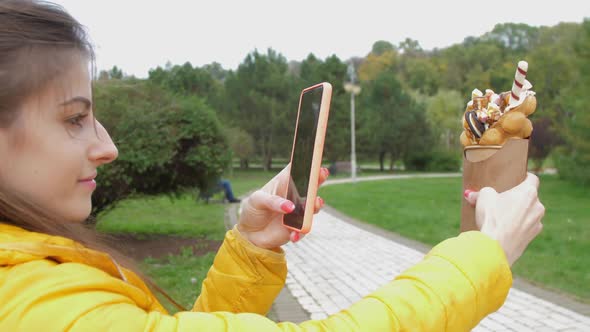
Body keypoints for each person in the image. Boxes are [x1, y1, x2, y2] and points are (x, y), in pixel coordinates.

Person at [0, 1, 545, 331]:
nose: (107, 146)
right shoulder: (31, 303)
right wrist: (482, 256)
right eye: (75, 119)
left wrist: (250, 253)